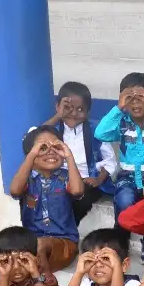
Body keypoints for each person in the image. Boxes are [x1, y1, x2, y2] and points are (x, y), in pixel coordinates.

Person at [9, 126, 85, 272]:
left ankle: (44, 278)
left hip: (64, 243)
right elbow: (15, 191)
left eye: (56, 147)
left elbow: (77, 191)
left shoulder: (66, 177)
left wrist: (69, 157)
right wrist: (31, 156)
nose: (51, 151)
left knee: (39, 245)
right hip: (31, 243)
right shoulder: (27, 179)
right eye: (43, 147)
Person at [42, 81, 118, 225]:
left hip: (88, 181)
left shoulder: (96, 131)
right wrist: (58, 116)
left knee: (80, 200)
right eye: (68, 108)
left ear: (88, 111)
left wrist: (98, 179)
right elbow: (34, 137)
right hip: (59, 180)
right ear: (58, 107)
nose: (74, 114)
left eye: (80, 109)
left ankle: (65, 231)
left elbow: (110, 160)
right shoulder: (53, 130)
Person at [94, 72, 144, 221]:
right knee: (124, 199)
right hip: (127, 178)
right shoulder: (122, 123)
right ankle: (120, 230)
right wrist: (118, 108)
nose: (135, 103)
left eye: (141, 98)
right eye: (129, 98)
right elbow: (100, 133)